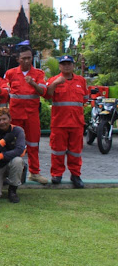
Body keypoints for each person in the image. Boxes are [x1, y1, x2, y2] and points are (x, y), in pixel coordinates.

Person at [4, 45, 48, 184]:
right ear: (18, 59)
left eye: (29, 58)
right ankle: (10, 173)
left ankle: (35, 173)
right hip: (15, 115)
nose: (27, 61)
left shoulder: (38, 74)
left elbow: (43, 92)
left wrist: (33, 84)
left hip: (31, 115)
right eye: (24, 58)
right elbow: (4, 92)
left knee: (33, 144)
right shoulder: (10, 73)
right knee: (12, 145)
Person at [45, 55, 88, 188]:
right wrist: (56, 83)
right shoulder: (54, 80)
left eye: (69, 63)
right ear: (60, 66)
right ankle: (57, 174)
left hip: (76, 123)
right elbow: (47, 96)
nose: (66, 66)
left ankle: (76, 175)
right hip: (59, 123)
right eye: (63, 64)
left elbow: (85, 99)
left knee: (76, 151)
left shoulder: (81, 81)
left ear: (73, 65)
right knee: (58, 151)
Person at [0, 107, 26, 203]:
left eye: (4, 119)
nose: (2, 122)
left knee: (18, 161)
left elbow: (19, 150)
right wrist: (3, 141)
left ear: (10, 119)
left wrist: (1, 156)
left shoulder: (18, 131)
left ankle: (12, 190)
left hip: (11, 164)